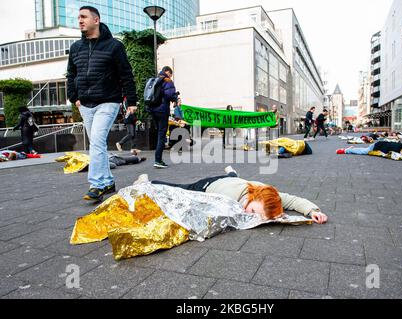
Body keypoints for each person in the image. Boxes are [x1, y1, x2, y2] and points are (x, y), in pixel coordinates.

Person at [66, 6, 137, 201]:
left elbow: (126, 74)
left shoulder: (114, 46)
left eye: (84, 17)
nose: (80, 20)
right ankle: (108, 182)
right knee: (97, 144)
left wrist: (132, 101)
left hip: (108, 101)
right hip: (86, 104)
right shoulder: (76, 48)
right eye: (78, 17)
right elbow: (71, 74)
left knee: (96, 141)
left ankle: (96, 184)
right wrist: (75, 98)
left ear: (96, 20)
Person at [152, 167, 328, 224]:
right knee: (179, 189)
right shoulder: (227, 198)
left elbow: (293, 200)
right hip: (207, 186)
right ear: (252, 198)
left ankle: (232, 173)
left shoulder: (266, 193)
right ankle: (149, 182)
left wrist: (312, 210)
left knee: (233, 178)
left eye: (258, 217)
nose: (250, 215)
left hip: (235, 182)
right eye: (252, 211)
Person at [150, 66, 179, 169]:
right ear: (168, 72)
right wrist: (176, 97)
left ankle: (158, 159)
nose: (170, 76)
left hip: (153, 110)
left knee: (159, 133)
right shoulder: (167, 80)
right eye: (170, 74)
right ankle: (158, 160)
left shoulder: (155, 79)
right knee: (161, 135)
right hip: (162, 110)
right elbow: (169, 95)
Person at [336, 141, 402, 158]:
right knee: (365, 151)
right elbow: (390, 154)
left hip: (381, 144)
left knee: (364, 150)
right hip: (377, 145)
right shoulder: (397, 149)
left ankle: (351, 148)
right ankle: (346, 150)